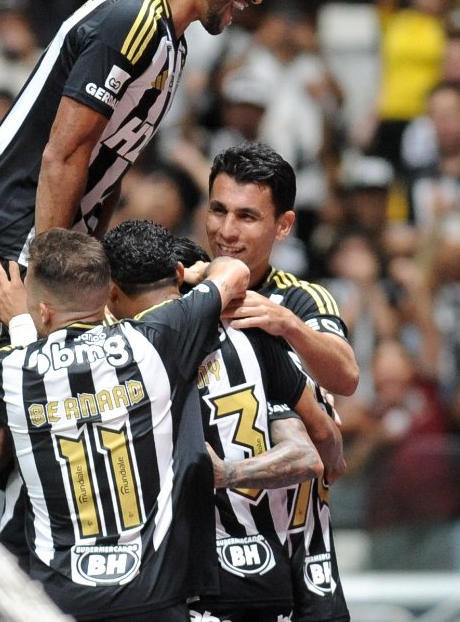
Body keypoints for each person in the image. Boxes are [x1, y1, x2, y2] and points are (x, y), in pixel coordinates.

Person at [0, 0, 273, 524]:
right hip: (18, 228)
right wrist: (49, 271)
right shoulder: (134, 21)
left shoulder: (170, 43)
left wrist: (89, 256)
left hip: (40, 223)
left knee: (32, 428)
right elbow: (63, 155)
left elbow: (107, 166)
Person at [0, 229, 250, 620]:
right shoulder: (153, 339)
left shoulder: (10, 370)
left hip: (60, 604)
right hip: (153, 601)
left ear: (44, 313)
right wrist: (194, 275)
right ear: (107, 295)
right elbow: (235, 271)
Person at [103, 222, 345, 621]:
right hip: (268, 571)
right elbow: (322, 447)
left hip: (183, 580)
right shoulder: (252, 339)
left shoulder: (123, 354)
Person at [201, 142, 358, 621]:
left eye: (247, 216)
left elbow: (346, 376)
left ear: (283, 225)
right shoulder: (182, 298)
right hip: (221, 551)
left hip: (304, 540)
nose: (226, 231)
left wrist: (286, 324)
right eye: (218, 210)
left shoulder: (303, 299)